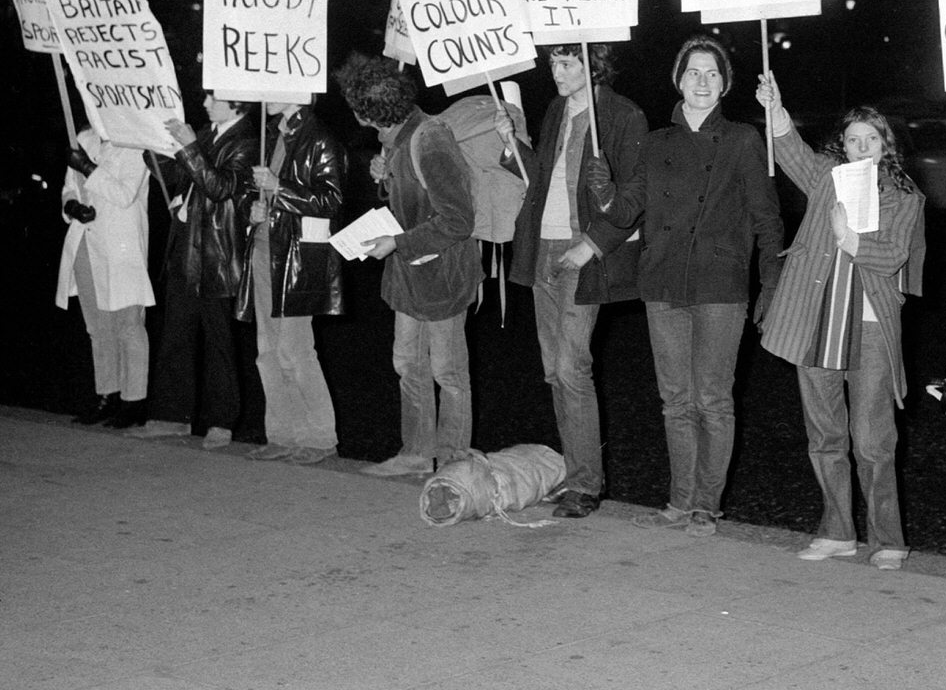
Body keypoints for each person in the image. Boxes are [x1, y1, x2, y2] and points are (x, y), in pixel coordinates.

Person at [599, 35, 784, 537]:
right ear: (678, 80)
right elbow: (624, 210)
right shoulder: (654, 143)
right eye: (693, 72)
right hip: (662, 282)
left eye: (712, 74)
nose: (702, 82)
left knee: (713, 399)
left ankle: (707, 504)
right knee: (675, 400)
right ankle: (679, 500)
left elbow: (768, 218)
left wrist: (771, 281)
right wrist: (602, 189)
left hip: (721, 284)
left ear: (724, 85)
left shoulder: (744, 140)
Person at [755, 74, 925, 570]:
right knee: (823, 435)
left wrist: (848, 238)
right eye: (853, 139)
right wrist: (776, 109)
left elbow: (892, 254)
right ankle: (836, 530)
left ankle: (888, 539)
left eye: (871, 139)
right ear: (843, 145)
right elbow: (792, 154)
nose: (861, 146)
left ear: (885, 145)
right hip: (815, 322)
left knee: (873, 440)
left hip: (870, 327)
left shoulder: (903, 195)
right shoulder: (827, 177)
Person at [496, 44, 646, 519]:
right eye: (553, 65)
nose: (557, 73)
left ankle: (585, 484)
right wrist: (509, 145)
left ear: (592, 64)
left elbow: (635, 194)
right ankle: (575, 473)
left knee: (570, 367)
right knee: (553, 370)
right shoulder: (557, 109)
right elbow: (539, 174)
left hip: (583, 253)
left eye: (567, 64)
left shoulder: (622, 116)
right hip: (544, 247)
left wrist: (594, 244)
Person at [336, 54, 481, 477]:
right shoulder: (397, 138)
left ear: (368, 112)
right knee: (408, 364)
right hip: (409, 275)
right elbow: (410, 202)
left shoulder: (429, 140)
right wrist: (384, 179)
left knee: (448, 372)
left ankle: (454, 461)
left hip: (442, 276)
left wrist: (396, 242)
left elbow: (458, 220)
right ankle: (417, 454)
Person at [128, 93, 257, 448]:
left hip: (216, 253)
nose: (204, 102)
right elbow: (171, 174)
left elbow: (219, 187)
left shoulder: (246, 142)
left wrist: (188, 148)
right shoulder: (204, 134)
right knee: (175, 334)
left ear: (236, 103)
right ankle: (171, 415)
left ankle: (221, 422)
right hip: (186, 248)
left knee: (219, 341)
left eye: (212, 97)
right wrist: (152, 144)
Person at [238, 100, 345, 464]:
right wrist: (255, 209)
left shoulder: (319, 138)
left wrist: (278, 188)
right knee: (267, 350)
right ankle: (282, 434)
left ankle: (319, 437)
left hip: (298, 256)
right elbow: (263, 195)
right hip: (266, 248)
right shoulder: (276, 136)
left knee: (295, 349)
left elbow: (332, 199)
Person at [57, 129, 155, 429]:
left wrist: (87, 167)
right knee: (98, 327)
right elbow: (69, 187)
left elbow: (124, 194)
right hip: (85, 241)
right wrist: (72, 205)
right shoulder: (85, 139)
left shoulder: (135, 141)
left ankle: (133, 401)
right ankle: (107, 394)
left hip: (121, 245)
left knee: (128, 325)